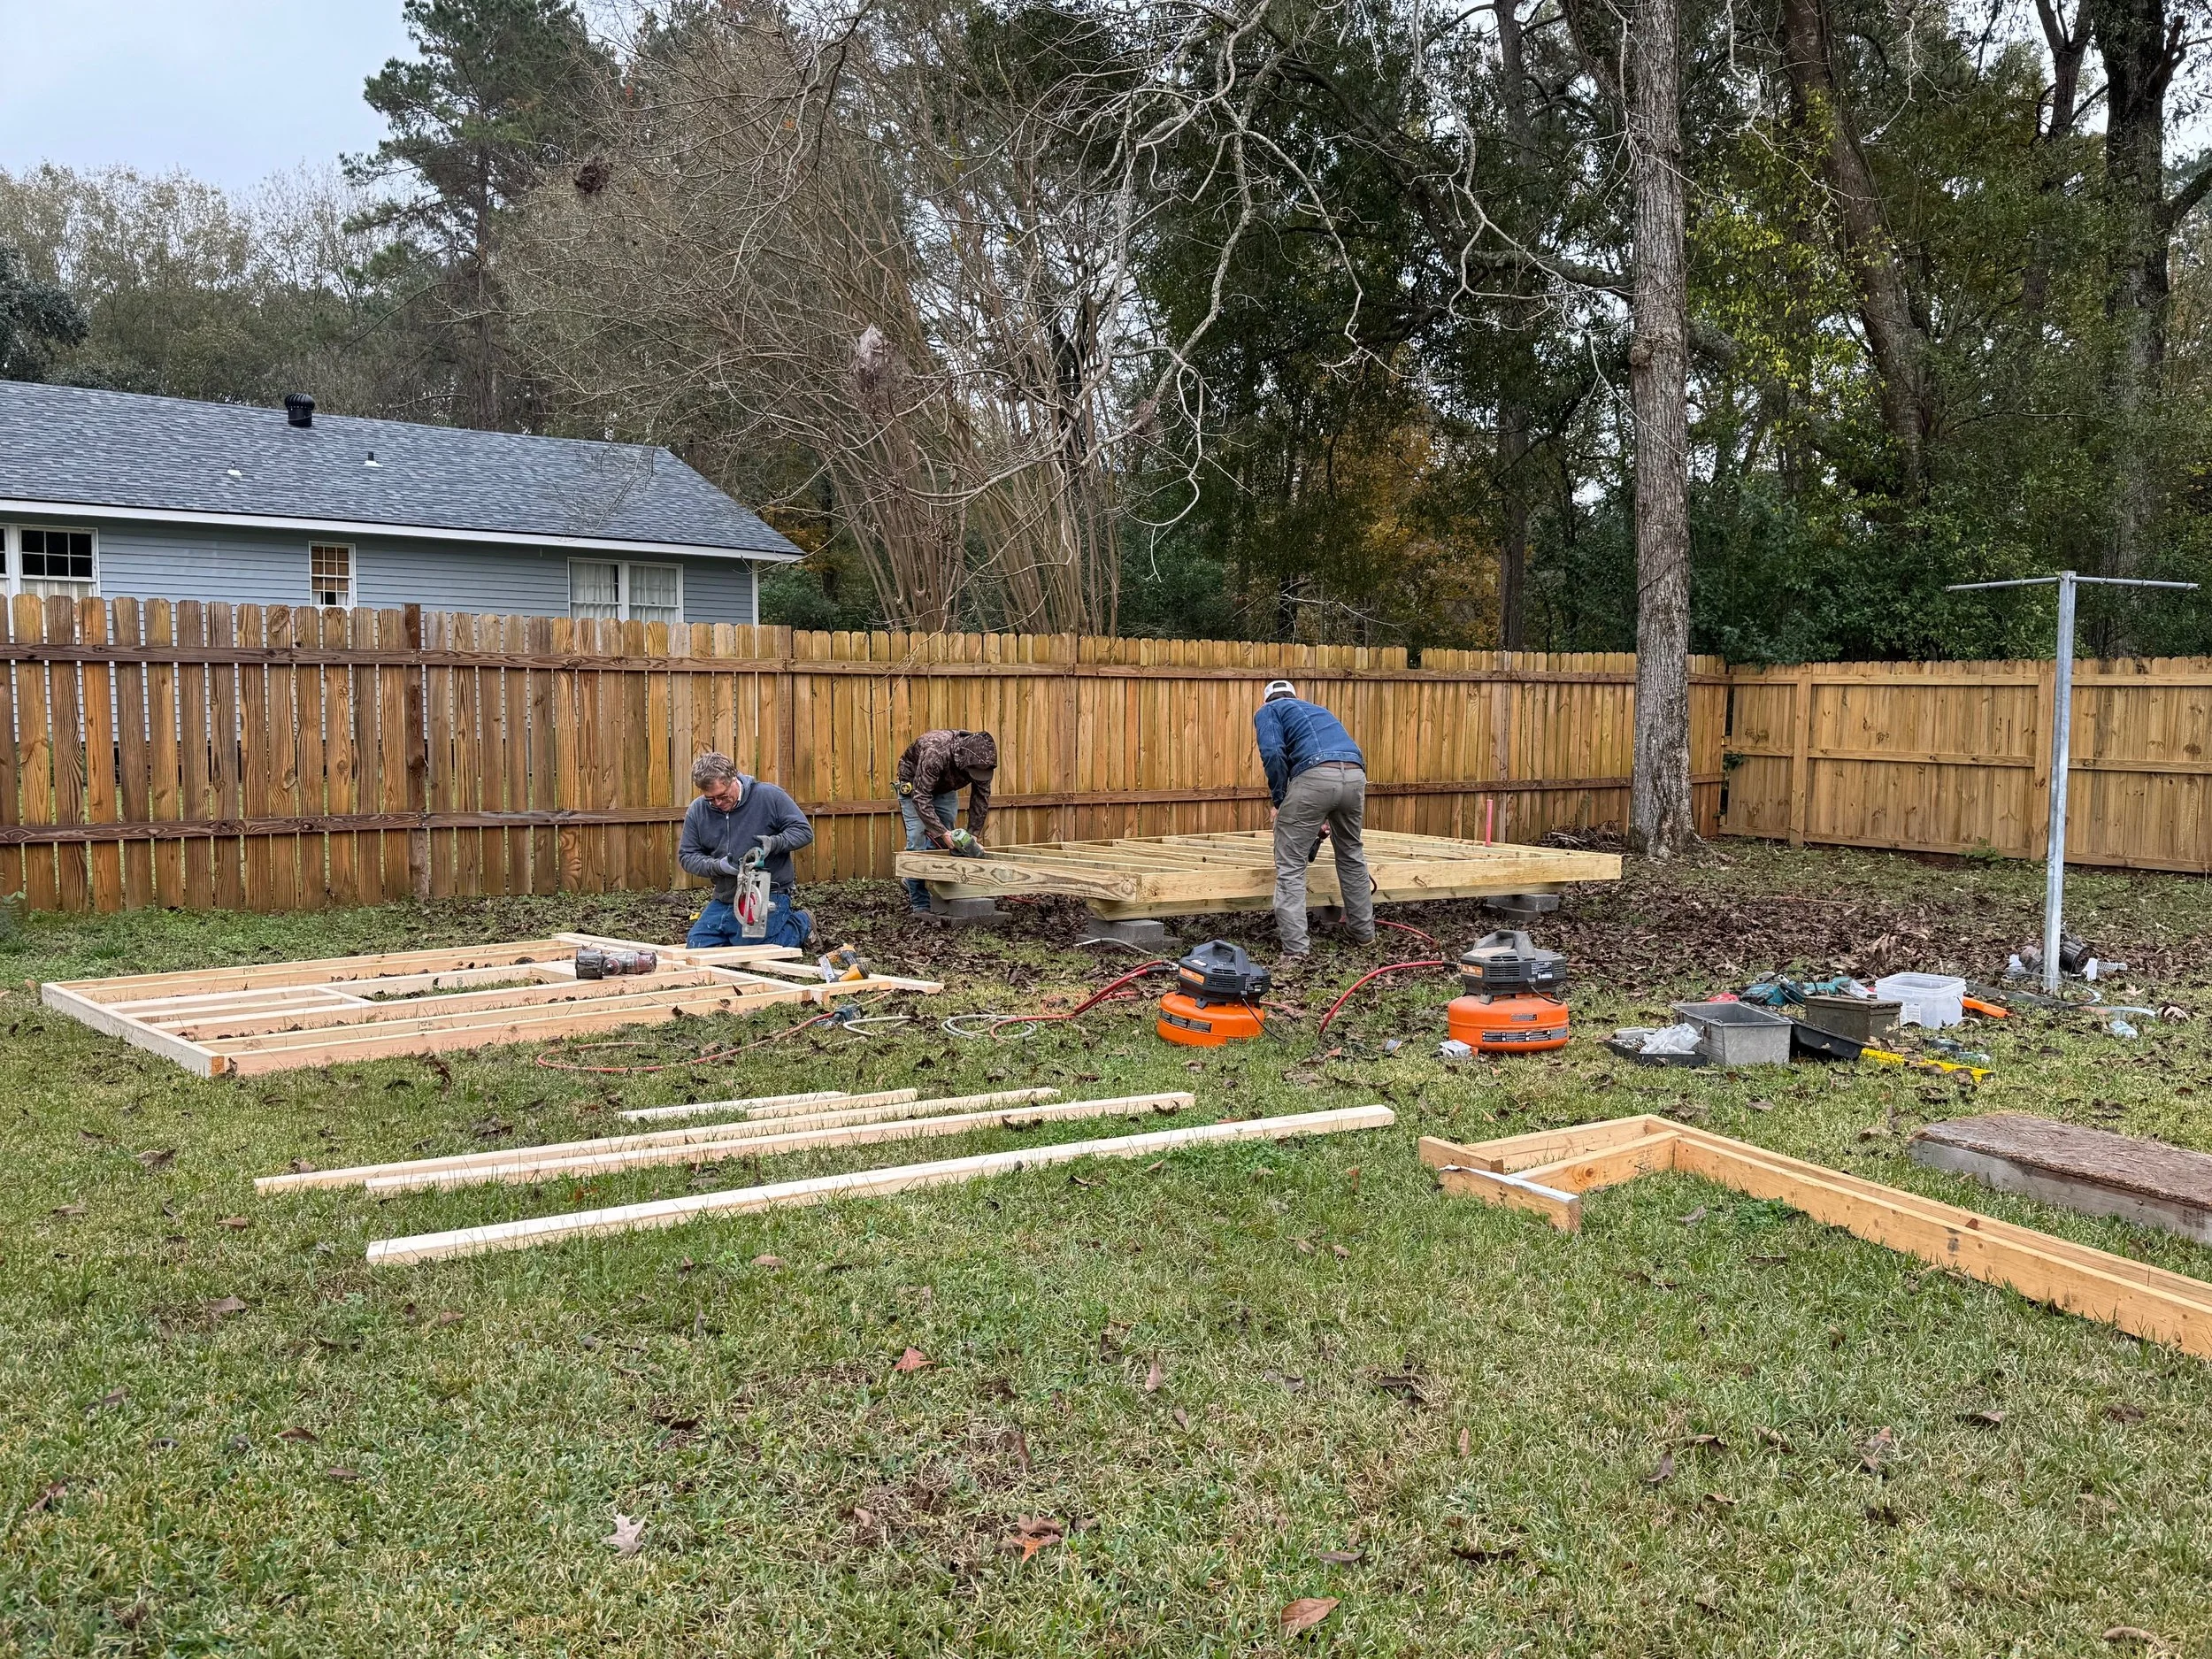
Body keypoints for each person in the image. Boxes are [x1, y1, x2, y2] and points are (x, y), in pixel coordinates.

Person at [1252, 680, 1373, 958]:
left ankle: (1296, 950)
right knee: (1352, 855)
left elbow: (1272, 753)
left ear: (1267, 699)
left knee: (1291, 865)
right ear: (1296, 696)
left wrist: (1281, 800)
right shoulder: (1317, 710)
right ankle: (1363, 934)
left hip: (1315, 775)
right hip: (1355, 775)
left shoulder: (1270, 711)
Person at [677, 751, 816, 949]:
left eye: (722, 796)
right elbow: (687, 856)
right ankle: (738, 936)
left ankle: (802, 923)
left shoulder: (769, 796)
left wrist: (773, 843)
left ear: (733, 778)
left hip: (768, 892)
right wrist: (718, 866)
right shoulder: (698, 810)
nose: (717, 803)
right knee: (697, 944)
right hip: (726, 895)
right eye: (710, 799)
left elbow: (803, 831)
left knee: (752, 949)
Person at [895, 728, 998, 915]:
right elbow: (921, 797)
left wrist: (973, 835)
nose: (979, 774)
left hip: (945, 789)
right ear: (964, 760)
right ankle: (921, 905)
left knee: (946, 845)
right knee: (916, 841)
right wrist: (941, 831)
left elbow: (981, 798)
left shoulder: (982, 761)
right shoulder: (936, 751)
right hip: (914, 788)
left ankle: (941, 895)